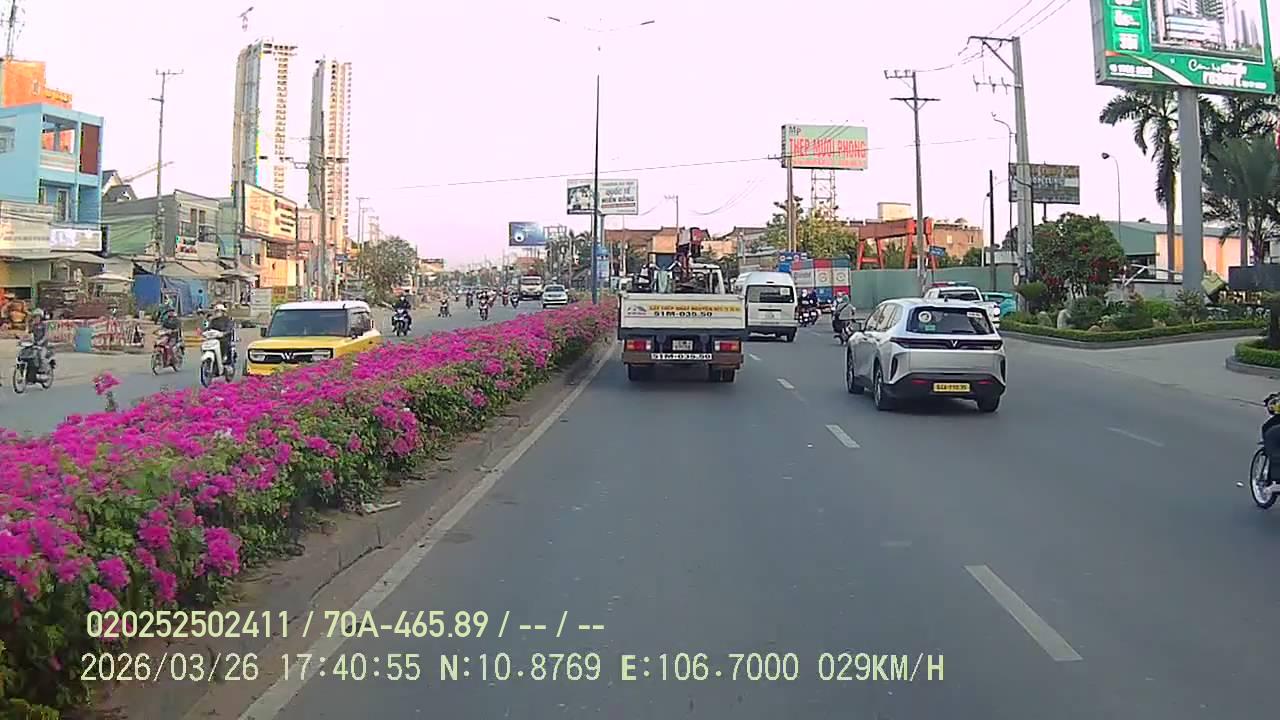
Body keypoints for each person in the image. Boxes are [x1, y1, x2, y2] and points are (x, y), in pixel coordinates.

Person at [205, 304, 235, 368]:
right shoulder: (213, 321)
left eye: (219, 311)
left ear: (223, 312)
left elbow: (229, 328)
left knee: (224, 344)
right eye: (216, 311)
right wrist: (204, 332)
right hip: (214, 339)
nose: (218, 313)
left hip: (224, 338)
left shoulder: (228, 320)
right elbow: (208, 328)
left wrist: (224, 333)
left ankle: (224, 358)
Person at [28, 308, 50, 373]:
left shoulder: (44, 325)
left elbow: (46, 335)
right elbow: (29, 334)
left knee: (41, 357)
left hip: (43, 345)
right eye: (35, 317)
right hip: (34, 345)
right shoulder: (33, 325)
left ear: (40, 318)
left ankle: (44, 369)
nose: (36, 319)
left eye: (37, 317)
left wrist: (41, 341)